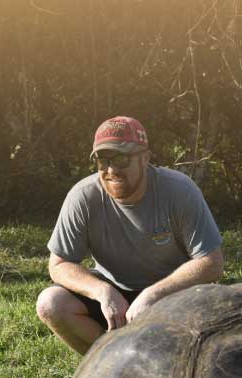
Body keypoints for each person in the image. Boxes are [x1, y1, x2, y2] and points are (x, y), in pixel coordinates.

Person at [36, 116, 224, 354]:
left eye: (122, 158)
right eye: (103, 160)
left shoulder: (179, 191)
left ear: (145, 158)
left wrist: (154, 294)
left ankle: (169, 362)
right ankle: (111, 361)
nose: (112, 169)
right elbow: (59, 264)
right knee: (51, 304)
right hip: (114, 294)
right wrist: (103, 292)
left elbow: (211, 262)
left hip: (173, 293)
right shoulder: (83, 196)